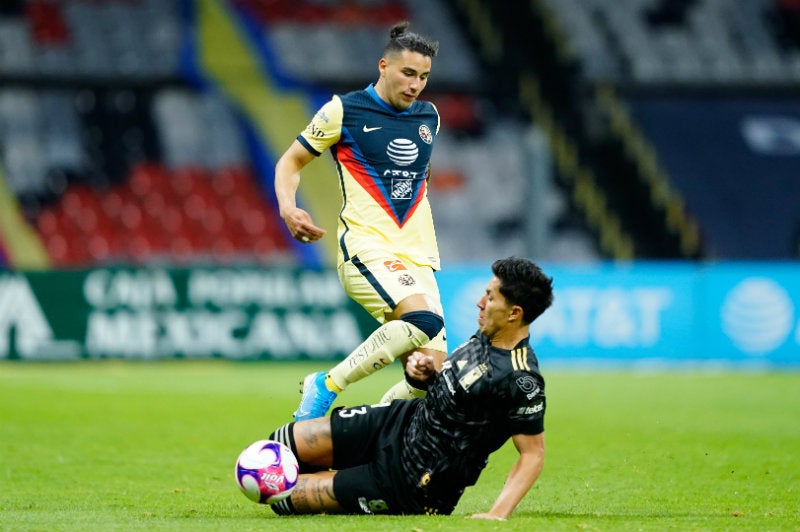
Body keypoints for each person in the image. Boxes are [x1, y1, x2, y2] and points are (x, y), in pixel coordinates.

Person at [265, 257, 554, 519]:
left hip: (413, 479)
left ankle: (353, 483)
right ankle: (348, 478)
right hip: (399, 422)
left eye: (490, 298)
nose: (480, 302)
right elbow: (460, 398)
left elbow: (533, 454)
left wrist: (497, 514)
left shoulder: (520, 378)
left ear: (514, 313)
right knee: (280, 445)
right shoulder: (487, 335)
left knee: (281, 494)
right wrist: (426, 377)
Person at [274, 21, 448, 420]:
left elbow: (416, 178)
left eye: (423, 77)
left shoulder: (429, 117)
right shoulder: (343, 111)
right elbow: (290, 162)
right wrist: (288, 207)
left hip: (418, 257)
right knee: (423, 320)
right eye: (408, 73)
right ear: (383, 66)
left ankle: (369, 433)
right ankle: (327, 384)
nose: (415, 85)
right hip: (367, 248)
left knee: (431, 377)